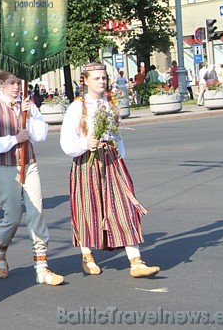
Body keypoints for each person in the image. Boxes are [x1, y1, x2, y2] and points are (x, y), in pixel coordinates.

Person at [60, 63, 159, 278]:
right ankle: (87, 256)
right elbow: (67, 142)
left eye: (104, 78)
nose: (102, 81)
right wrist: (86, 144)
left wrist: (119, 155)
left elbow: (117, 134)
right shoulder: (78, 107)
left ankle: (136, 261)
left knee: (125, 206)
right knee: (88, 208)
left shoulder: (110, 104)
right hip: (87, 161)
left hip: (112, 160)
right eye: (97, 78)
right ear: (85, 81)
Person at [0, 71, 64, 286]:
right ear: (2, 84)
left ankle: (42, 267)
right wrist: (14, 138)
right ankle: (0, 250)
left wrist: (32, 117)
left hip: (30, 164)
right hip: (7, 166)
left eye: (19, 83)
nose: (16, 87)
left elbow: (40, 135)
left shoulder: (28, 106)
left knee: (36, 212)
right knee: (13, 217)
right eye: (12, 83)